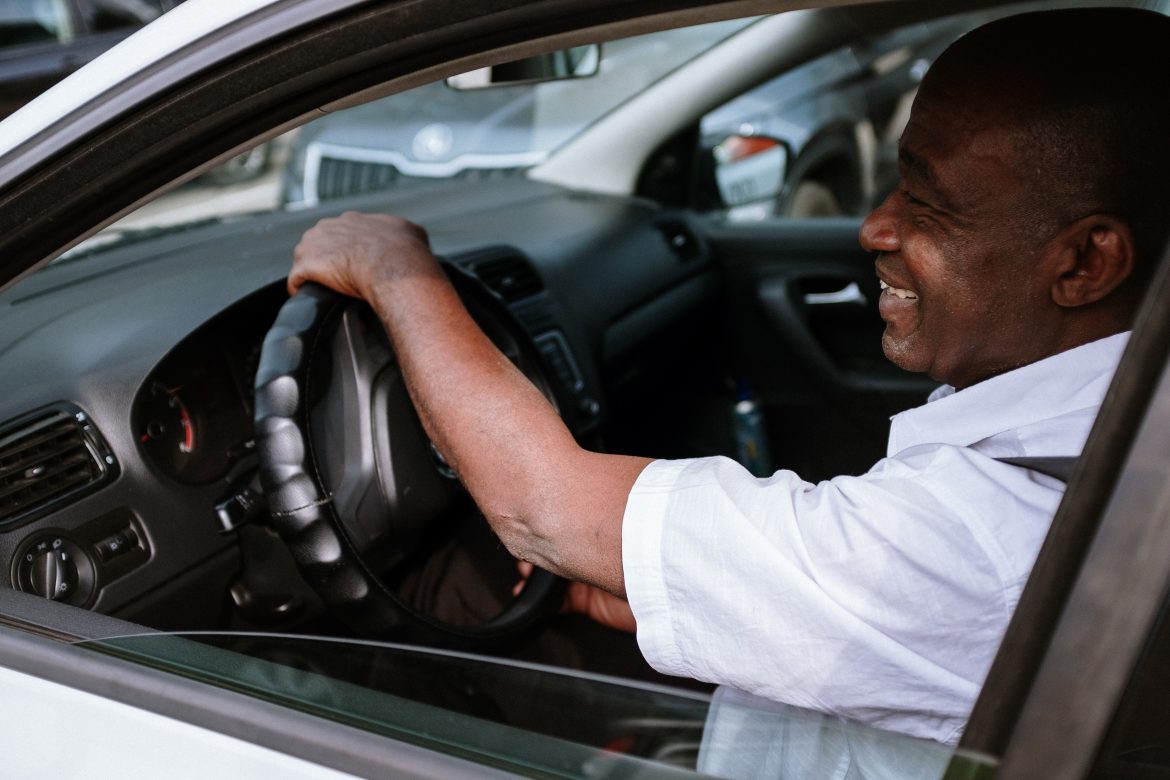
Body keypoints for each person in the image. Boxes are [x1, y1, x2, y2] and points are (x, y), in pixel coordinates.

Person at [287, 7, 1170, 748]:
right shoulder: (1110, 448)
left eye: (927, 202)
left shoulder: (986, 537)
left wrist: (394, 271)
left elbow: (538, 508)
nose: (873, 229)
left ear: (1087, 263)